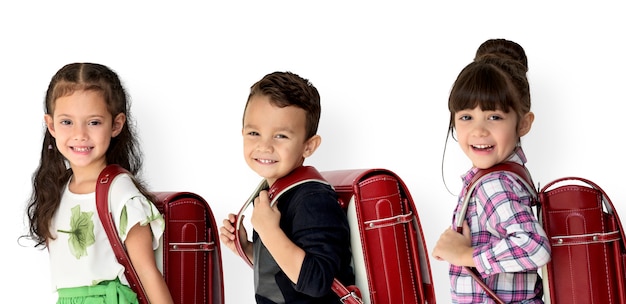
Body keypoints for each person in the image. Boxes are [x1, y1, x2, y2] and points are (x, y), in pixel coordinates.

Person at [24, 63, 174, 304]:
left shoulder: (119, 191)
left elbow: (147, 273)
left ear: (116, 124)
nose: (80, 134)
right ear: (51, 125)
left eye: (93, 122)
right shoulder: (57, 190)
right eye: (67, 122)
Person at [432, 39, 552, 303]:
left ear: (523, 123)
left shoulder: (494, 183)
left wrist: (465, 255)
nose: (479, 130)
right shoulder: (503, 176)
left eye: (494, 117)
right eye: (466, 117)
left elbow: (534, 247)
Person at [219, 71, 355, 303]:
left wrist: (269, 232)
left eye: (280, 136)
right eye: (254, 133)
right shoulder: (273, 193)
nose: (264, 145)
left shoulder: (312, 200)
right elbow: (286, 273)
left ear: (309, 146)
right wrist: (248, 248)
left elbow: (317, 281)